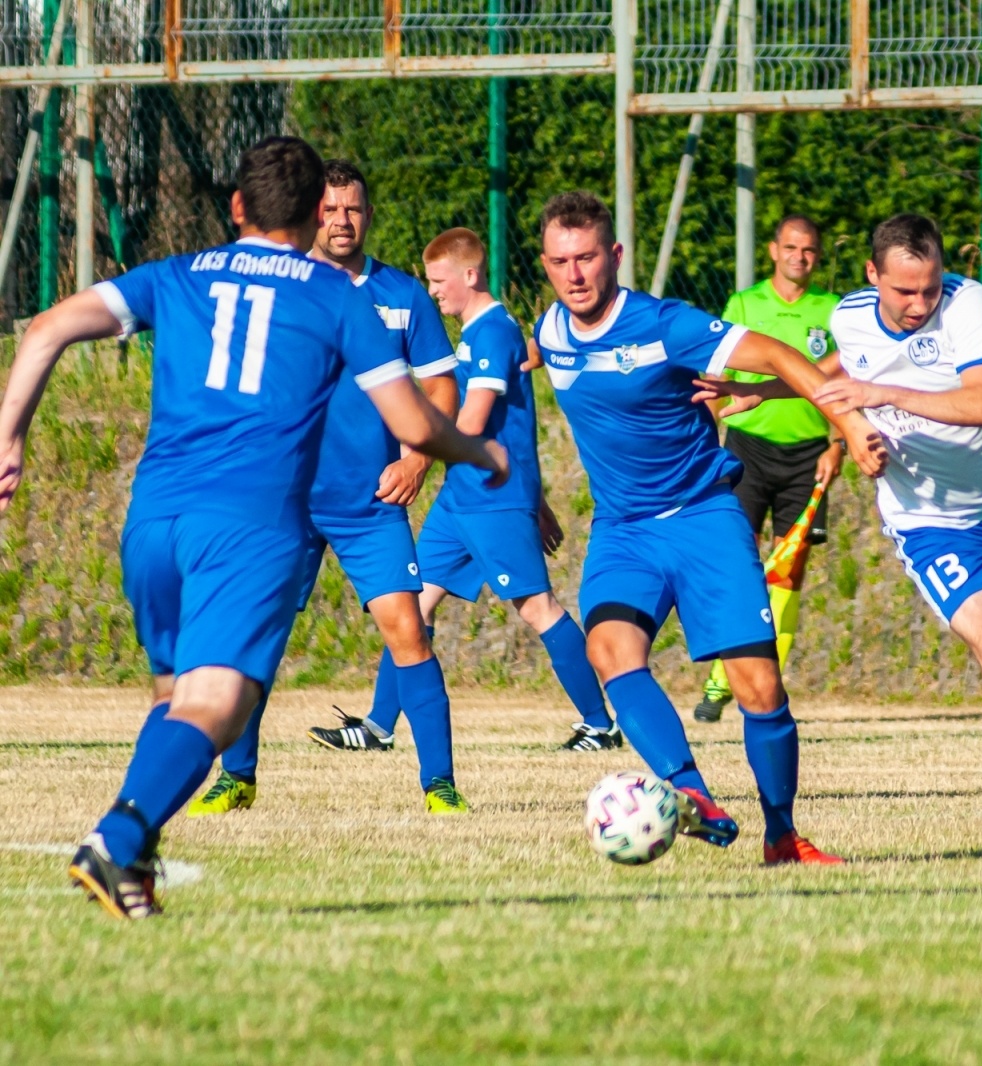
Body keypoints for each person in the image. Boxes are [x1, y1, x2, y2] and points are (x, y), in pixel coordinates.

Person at [0, 137, 508, 919]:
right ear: (311, 217)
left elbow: (44, 330)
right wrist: (480, 451)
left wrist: (9, 438)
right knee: (217, 707)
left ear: (236, 206)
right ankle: (114, 838)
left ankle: (132, 859)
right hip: (250, 524)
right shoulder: (336, 296)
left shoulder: (175, 275)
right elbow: (414, 420)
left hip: (154, 520)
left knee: (176, 698)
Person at [711, 214, 982, 862]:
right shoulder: (851, 317)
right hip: (929, 522)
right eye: (904, 291)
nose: (920, 303)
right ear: (872, 275)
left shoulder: (967, 304)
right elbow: (834, 372)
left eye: (930, 287)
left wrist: (881, 393)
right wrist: (760, 390)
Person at [533, 190, 884, 864]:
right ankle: (691, 794)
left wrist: (847, 421)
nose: (573, 275)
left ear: (614, 255)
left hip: (703, 518)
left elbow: (778, 355)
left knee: (759, 688)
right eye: (558, 262)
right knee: (610, 650)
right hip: (624, 530)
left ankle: (782, 835)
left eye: (586, 258)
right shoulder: (550, 331)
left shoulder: (665, 324)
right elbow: (528, 359)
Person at [187, 159, 470, 817]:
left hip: (369, 502)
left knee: (408, 630)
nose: (343, 221)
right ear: (313, 212)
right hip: (279, 501)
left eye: (354, 209)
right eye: (331, 209)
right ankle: (237, 777)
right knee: (252, 632)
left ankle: (440, 785)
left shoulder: (402, 296)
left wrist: (417, 459)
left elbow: (441, 386)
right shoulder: (278, 288)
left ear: (369, 215)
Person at [382, 227, 619, 756]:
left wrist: (413, 431)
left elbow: (472, 423)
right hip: (461, 495)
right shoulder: (475, 332)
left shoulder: (492, 332)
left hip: (491, 497)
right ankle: (377, 727)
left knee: (537, 608)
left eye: (438, 281)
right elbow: (511, 426)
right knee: (411, 606)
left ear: (470, 275)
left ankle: (599, 724)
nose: (433, 292)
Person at [693, 215, 843, 723]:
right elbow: (715, 378)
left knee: (789, 571)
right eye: (791, 247)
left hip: (807, 455)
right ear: (775, 251)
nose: (800, 257)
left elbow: (846, 380)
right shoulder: (744, 305)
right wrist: (706, 441)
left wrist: (838, 443)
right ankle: (721, 680)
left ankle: (766, 686)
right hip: (747, 451)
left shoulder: (832, 311)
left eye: (810, 249)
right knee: (738, 563)